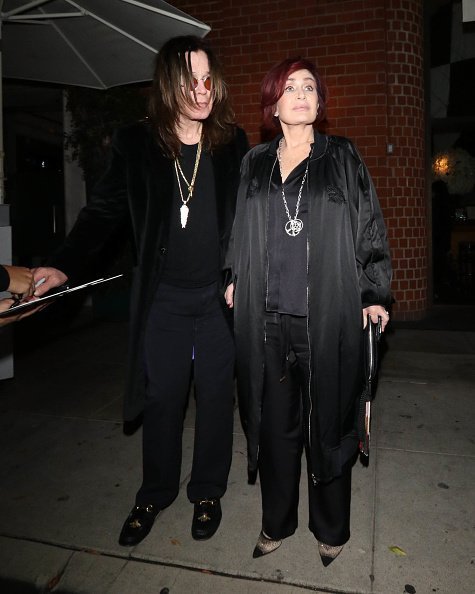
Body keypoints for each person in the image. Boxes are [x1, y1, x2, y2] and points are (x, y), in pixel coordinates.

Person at [32, 35, 249, 546]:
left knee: (217, 399)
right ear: (168, 84)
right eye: (189, 79)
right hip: (165, 301)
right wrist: (64, 265)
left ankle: (207, 491)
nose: (201, 89)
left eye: (207, 79)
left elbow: (248, 220)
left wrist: (241, 271)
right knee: (163, 400)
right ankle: (155, 492)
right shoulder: (136, 143)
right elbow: (102, 213)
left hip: (218, 301)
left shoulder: (231, 143)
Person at [225, 57, 392, 565]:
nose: (301, 94)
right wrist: (233, 277)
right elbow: (238, 229)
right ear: (274, 102)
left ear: (319, 103)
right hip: (269, 320)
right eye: (291, 87)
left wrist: (375, 292)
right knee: (276, 429)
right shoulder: (254, 162)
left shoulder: (342, 156)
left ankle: (331, 529)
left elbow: (369, 227)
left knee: (330, 425)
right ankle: (276, 523)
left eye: (310, 87)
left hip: (329, 320)